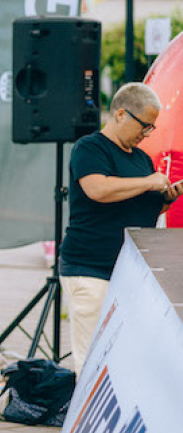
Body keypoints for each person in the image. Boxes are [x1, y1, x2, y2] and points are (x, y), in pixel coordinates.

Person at [60, 83, 181, 374]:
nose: (146, 134)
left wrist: (166, 197)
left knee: (126, 358)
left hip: (128, 272)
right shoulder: (90, 147)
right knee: (92, 357)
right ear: (121, 114)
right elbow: (98, 189)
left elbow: (139, 205)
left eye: (151, 128)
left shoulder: (141, 159)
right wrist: (149, 182)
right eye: (145, 126)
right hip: (91, 268)